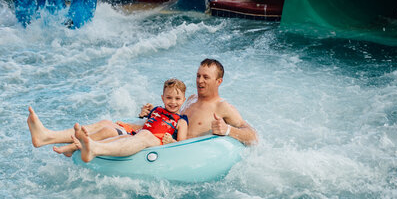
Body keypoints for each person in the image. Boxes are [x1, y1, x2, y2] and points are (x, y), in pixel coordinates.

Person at [27, 58, 257, 155]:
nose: (199, 81)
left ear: (219, 81)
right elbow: (171, 119)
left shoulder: (223, 107)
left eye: (206, 77)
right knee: (107, 125)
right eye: (198, 75)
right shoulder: (190, 100)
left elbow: (252, 135)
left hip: (171, 148)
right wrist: (150, 114)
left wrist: (227, 131)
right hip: (156, 132)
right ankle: (47, 137)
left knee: (131, 136)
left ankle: (87, 148)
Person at [74, 78, 188, 162]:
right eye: (169, 98)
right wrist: (131, 123)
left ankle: (95, 149)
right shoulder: (157, 110)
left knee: (142, 135)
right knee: (124, 137)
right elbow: (147, 124)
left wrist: (171, 142)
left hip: (155, 141)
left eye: (177, 99)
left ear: (183, 100)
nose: (173, 102)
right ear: (162, 98)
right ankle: (82, 146)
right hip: (140, 134)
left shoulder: (181, 122)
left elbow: (182, 144)